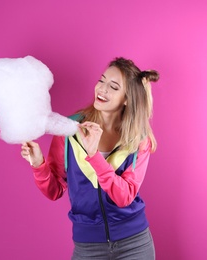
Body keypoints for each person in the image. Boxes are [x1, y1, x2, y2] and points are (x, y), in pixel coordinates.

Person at [21, 57, 159, 259]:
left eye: (113, 87)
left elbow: (124, 197)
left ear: (127, 99)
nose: (102, 89)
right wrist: (38, 164)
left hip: (135, 244)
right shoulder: (69, 130)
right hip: (88, 247)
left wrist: (94, 156)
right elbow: (54, 191)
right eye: (101, 80)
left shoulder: (138, 139)